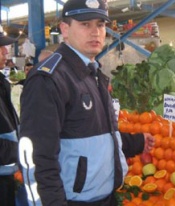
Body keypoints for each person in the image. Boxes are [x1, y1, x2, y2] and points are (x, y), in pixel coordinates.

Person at [18, 0, 155, 205]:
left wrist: (136, 142)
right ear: (65, 29)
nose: (95, 32)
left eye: (100, 24)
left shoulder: (92, 73)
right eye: (85, 24)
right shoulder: (49, 80)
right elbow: (38, 160)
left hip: (105, 198)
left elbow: (97, 136)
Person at [0, 26, 19, 206]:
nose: (6, 51)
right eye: (0, 47)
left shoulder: (2, 83)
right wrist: (22, 151)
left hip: (6, 173)